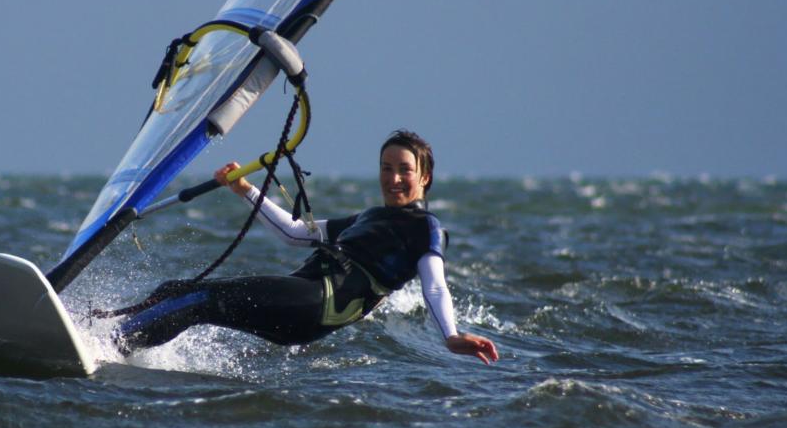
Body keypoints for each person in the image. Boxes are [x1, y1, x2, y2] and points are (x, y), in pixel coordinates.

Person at [114, 130, 499, 365]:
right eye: (386, 167)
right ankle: (104, 331)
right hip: (301, 298)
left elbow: (434, 285)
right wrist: (245, 190)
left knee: (198, 300)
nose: (393, 178)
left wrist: (450, 335)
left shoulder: (426, 227)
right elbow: (297, 234)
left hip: (317, 303)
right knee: (177, 292)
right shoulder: (367, 218)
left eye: (404, 169)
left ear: (425, 177)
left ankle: (111, 348)